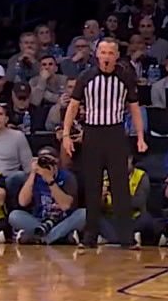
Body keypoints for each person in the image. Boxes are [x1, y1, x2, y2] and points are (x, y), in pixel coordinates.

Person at [58, 38, 147, 250]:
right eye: (103, 52)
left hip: (115, 133)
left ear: (116, 56)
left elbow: (134, 108)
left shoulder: (125, 77)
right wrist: (67, 134)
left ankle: (126, 237)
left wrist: (141, 136)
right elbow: (72, 107)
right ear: (97, 54)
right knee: (92, 186)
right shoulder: (86, 76)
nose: (106, 57)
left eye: (110, 53)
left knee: (120, 187)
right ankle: (90, 236)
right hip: (92, 133)